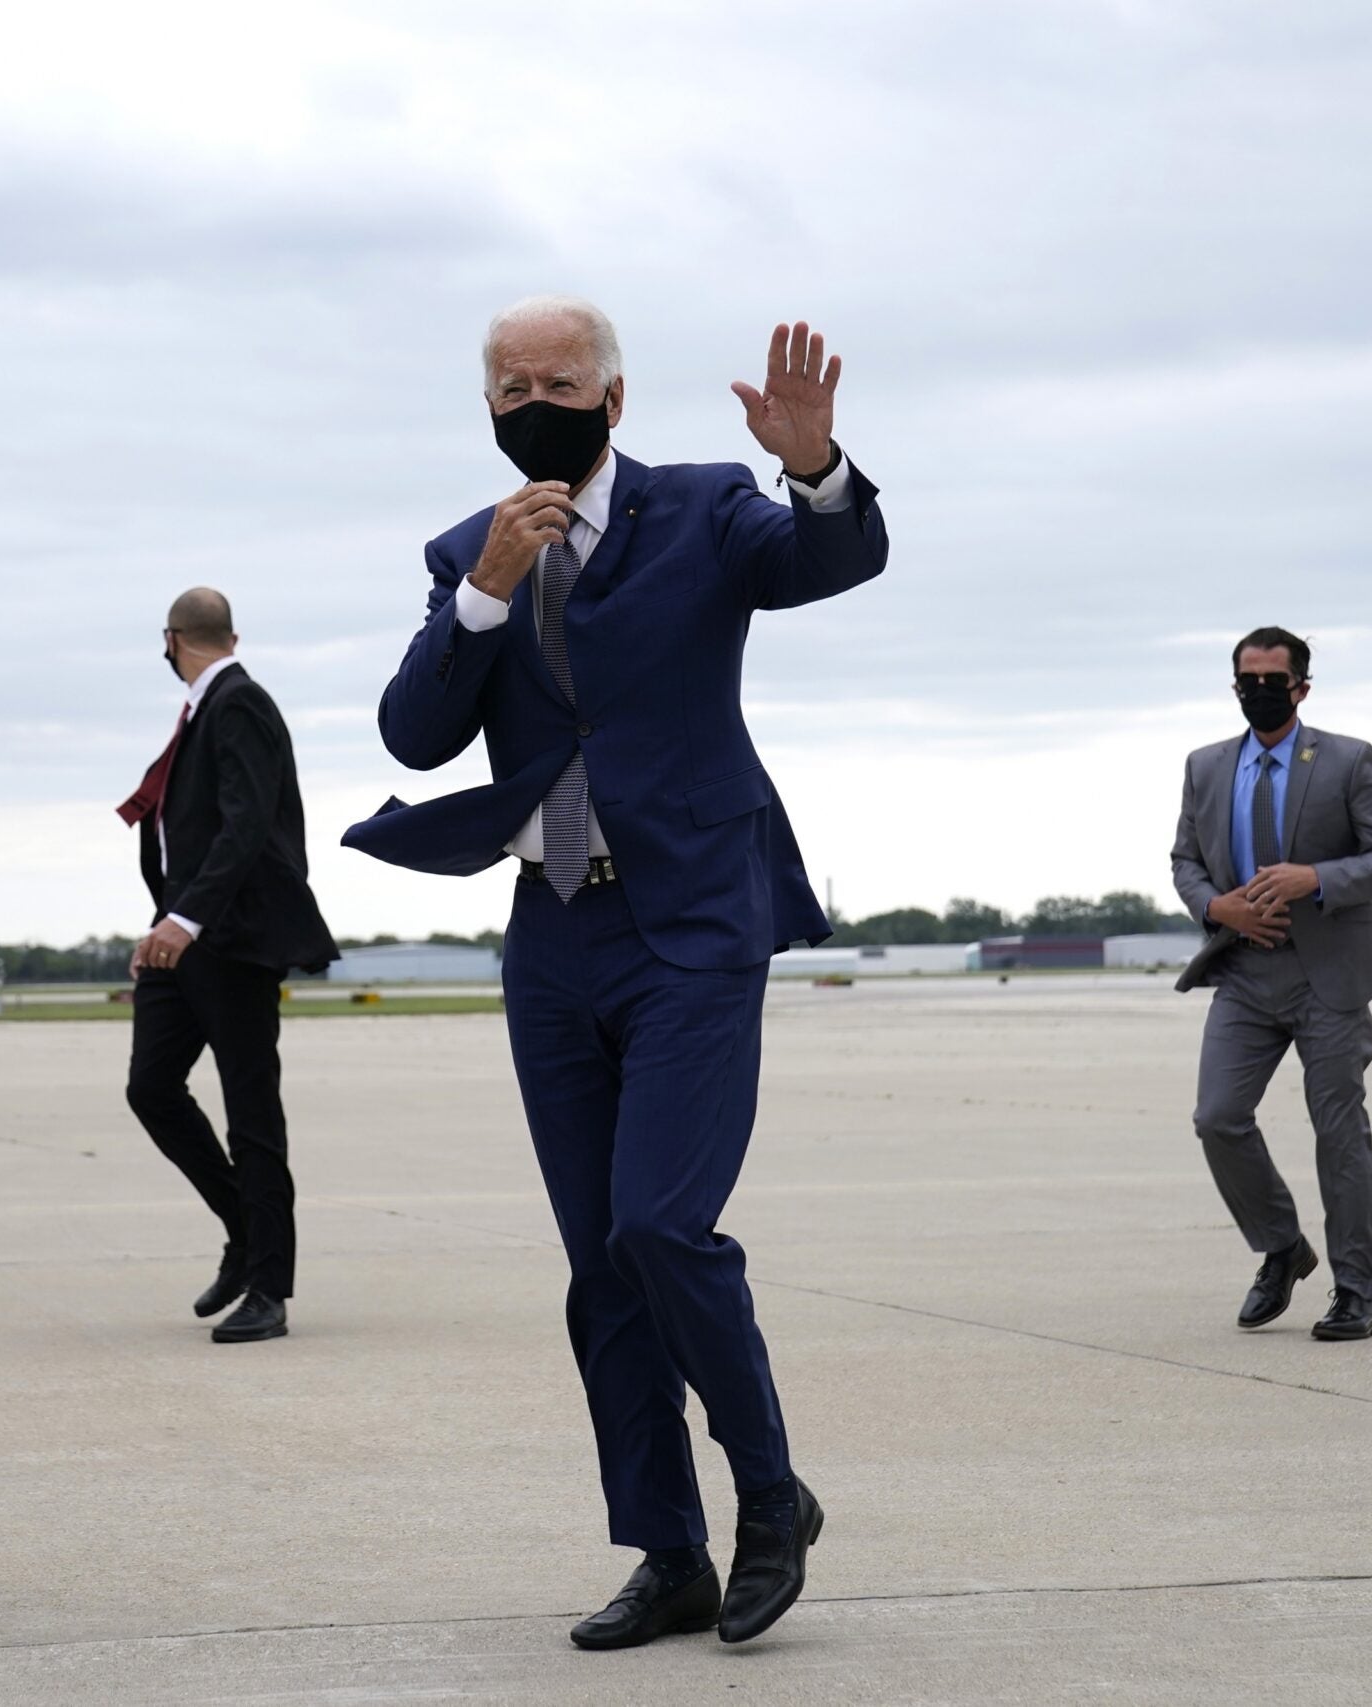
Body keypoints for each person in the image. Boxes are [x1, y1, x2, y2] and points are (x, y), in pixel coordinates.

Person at [344, 298, 890, 1649]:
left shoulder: (703, 508)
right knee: (599, 1265)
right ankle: (667, 1548)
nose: (540, 398)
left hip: (693, 920)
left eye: (563, 379)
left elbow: (833, 560)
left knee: (661, 1224)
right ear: (490, 408)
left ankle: (771, 1492)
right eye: (515, 383)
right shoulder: (466, 551)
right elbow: (416, 734)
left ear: (614, 399)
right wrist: (482, 588)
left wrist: (815, 467)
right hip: (552, 933)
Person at [1170, 626, 1372, 1341]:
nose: (1260, 692)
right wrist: (1219, 906)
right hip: (1243, 970)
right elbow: (1185, 861)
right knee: (1217, 1117)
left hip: (1328, 974)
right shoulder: (1206, 766)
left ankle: (1357, 1293)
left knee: (1339, 1133)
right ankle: (1281, 1245)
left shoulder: (1346, 759)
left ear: (1302, 687)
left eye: (1274, 681)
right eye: (1248, 680)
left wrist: (1316, 878)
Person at [120, 588, 339, 1344]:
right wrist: (164, 923)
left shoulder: (240, 704)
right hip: (186, 936)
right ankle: (246, 1229)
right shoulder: (202, 711)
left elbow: (247, 826)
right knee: (151, 1085)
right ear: (228, 634)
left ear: (171, 639)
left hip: (236, 939)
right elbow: (194, 832)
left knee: (252, 1114)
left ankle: (270, 1287)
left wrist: (185, 918)